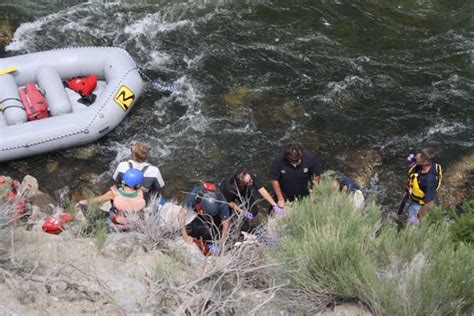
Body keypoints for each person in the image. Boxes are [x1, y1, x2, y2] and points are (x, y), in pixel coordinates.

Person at [79, 168, 146, 231]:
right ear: (138, 185)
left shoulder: (114, 193)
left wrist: (82, 202)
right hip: (133, 226)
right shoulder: (140, 195)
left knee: (85, 206)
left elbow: (97, 200)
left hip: (115, 226)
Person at [218, 170, 284, 231]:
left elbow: (261, 189)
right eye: (249, 181)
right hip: (225, 196)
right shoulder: (229, 188)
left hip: (243, 190)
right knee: (226, 217)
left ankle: (244, 223)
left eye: (251, 179)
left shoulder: (248, 175)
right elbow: (229, 202)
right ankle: (234, 224)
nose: (252, 181)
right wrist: (242, 212)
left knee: (253, 210)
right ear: (242, 183)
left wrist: (274, 205)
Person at [179, 182, 231, 253]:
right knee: (191, 228)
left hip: (213, 216)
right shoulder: (195, 194)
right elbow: (181, 214)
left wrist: (222, 240)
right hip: (196, 212)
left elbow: (226, 222)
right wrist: (185, 236)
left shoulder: (221, 201)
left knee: (211, 234)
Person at [405, 147, 443, 224]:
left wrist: (418, 215)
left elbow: (429, 203)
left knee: (411, 223)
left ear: (424, 162)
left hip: (418, 204)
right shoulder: (430, 162)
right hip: (415, 192)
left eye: (417, 157)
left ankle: (411, 228)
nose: (415, 157)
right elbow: (413, 157)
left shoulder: (429, 181)